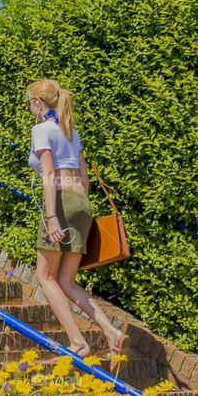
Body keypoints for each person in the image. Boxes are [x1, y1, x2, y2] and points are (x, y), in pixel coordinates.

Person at [26, 78, 125, 362]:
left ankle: (78, 342)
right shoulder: (71, 131)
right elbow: (84, 179)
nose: (30, 110)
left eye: (29, 105)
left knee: (45, 277)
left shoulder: (42, 129)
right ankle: (111, 332)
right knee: (67, 281)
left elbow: (48, 176)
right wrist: (76, 205)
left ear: (37, 103)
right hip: (81, 201)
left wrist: (52, 216)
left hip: (61, 202)